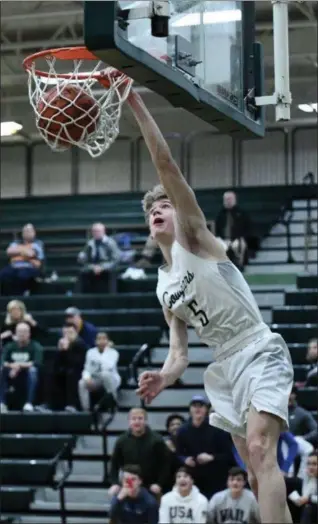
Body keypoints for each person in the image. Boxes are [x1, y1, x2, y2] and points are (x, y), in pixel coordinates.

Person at [127, 84, 295, 523]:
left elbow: (167, 167)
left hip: (258, 348)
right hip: (224, 367)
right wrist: (163, 378)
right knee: (256, 475)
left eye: (164, 204)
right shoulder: (164, 288)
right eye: (152, 210)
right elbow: (180, 354)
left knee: (261, 450)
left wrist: (137, 105)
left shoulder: (198, 241)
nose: (158, 210)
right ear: (148, 226)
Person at [176, 396, 234, 498]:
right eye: (194, 406)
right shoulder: (182, 430)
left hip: (215, 477)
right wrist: (185, 459)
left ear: (206, 409)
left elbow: (228, 455)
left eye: (201, 406)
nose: (197, 409)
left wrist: (212, 457)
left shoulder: (217, 429)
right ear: (190, 409)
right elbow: (178, 454)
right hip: (193, 477)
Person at [109, 407, 170, 498]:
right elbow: (114, 464)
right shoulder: (121, 440)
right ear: (129, 422)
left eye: (140, 418)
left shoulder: (157, 440)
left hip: (151, 487)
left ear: (145, 421)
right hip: (128, 485)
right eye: (133, 419)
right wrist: (114, 483)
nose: (137, 421)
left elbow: (166, 464)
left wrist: (159, 484)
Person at [0, 322, 43, 412]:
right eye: (19, 332)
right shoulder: (9, 346)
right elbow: (3, 362)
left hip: (27, 374)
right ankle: (2, 403)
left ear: (29, 333)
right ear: (15, 333)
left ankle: (29, 403)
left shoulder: (35, 346)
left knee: (33, 370)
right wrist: (12, 367)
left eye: (24, 332)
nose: (22, 334)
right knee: (2, 370)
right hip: (12, 373)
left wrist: (18, 366)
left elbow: (36, 363)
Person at [78, 331, 121, 410]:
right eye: (99, 339)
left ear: (108, 341)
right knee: (81, 383)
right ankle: (86, 409)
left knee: (105, 374)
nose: (101, 341)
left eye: (104, 339)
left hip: (111, 378)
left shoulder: (113, 353)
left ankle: (113, 403)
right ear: (95, 341)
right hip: (96, 379)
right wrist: (87, 378)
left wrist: (106, 350)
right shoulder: (90, 352)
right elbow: (86, 368)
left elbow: (107, 366)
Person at [48, 325, 87, 411]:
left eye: (70, 333)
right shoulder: (63, 344)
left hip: (80, 371)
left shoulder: (80, 344)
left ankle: (72, 404)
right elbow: (57, 363)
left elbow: (77, 363)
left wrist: (66, 350)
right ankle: (51, 405)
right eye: (65, 333)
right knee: (51, 373)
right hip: (66, 370)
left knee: (71, 374)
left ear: (76, 333)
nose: (67, 336)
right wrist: (60, 351)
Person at [0, 223, 44, 296]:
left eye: (29, 231)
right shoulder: (15, 242)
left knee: (22, 275)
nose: (27, 233)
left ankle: (22, 295)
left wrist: (18, 253)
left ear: (34, 233)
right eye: (25, 231)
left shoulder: (38, 244)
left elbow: (31, 254)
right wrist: (24, 252)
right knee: (3, 274)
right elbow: (9, 251)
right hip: (14, 266)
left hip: (29, 267)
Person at [78, 222, 121, 293]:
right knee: (82, 273)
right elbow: (85, 260)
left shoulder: (111, 243)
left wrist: (102, 267)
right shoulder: (90, 244)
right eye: (94, 231)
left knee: (111, 274)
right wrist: (91, 266)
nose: (96, 233)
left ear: (103, 231)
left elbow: (116, 259)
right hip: (93, 267)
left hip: (107, 268)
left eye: (98, 231)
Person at [215, 191, 252, 271]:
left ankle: (240, 264)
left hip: (238, 239)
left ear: (234, 200)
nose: (228, 201)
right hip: (224, 239)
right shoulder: (220, 214)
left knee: (239, 245)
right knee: (218, 245)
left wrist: (240, 238)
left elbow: (247, 228)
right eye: (226, 199)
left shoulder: (242, 213)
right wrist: (222, 239)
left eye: (230, 199)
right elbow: (217, 230)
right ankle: (222, 266)